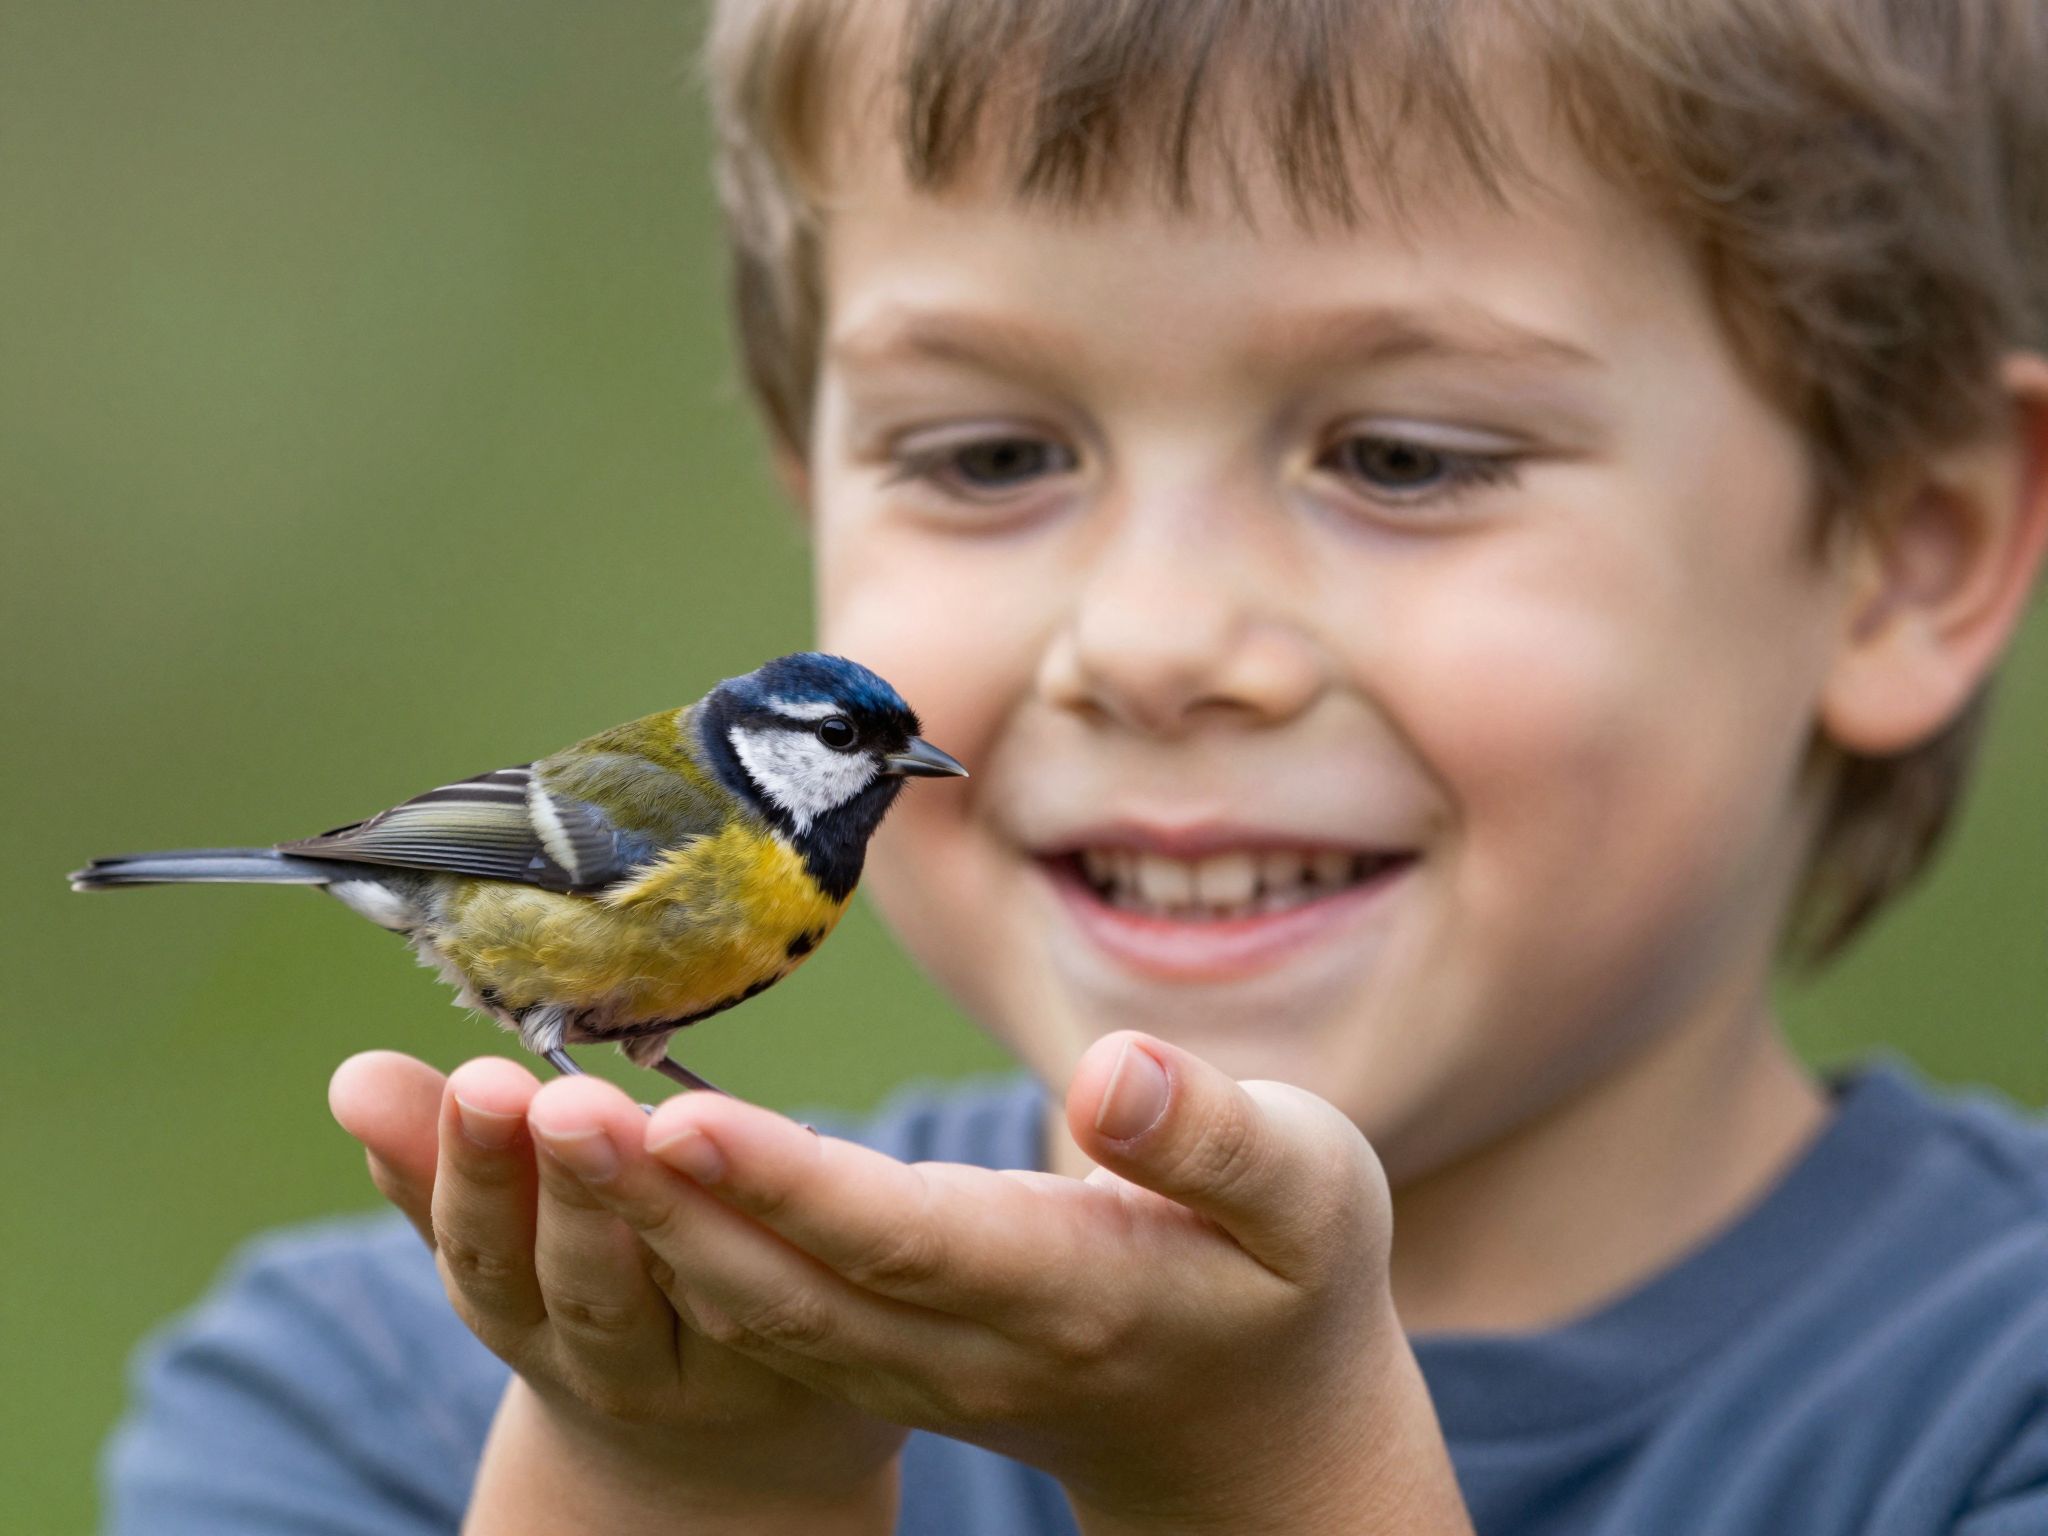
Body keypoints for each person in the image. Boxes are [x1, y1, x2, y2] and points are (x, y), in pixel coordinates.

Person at [105, 1, 2048, 1532]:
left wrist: (1251, 1481)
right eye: (990, 456)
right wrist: (676, 1474)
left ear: (1907, 558)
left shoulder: (1993, 1404)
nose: (1151, 645)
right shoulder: (368, 1404)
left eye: (1403, 456)